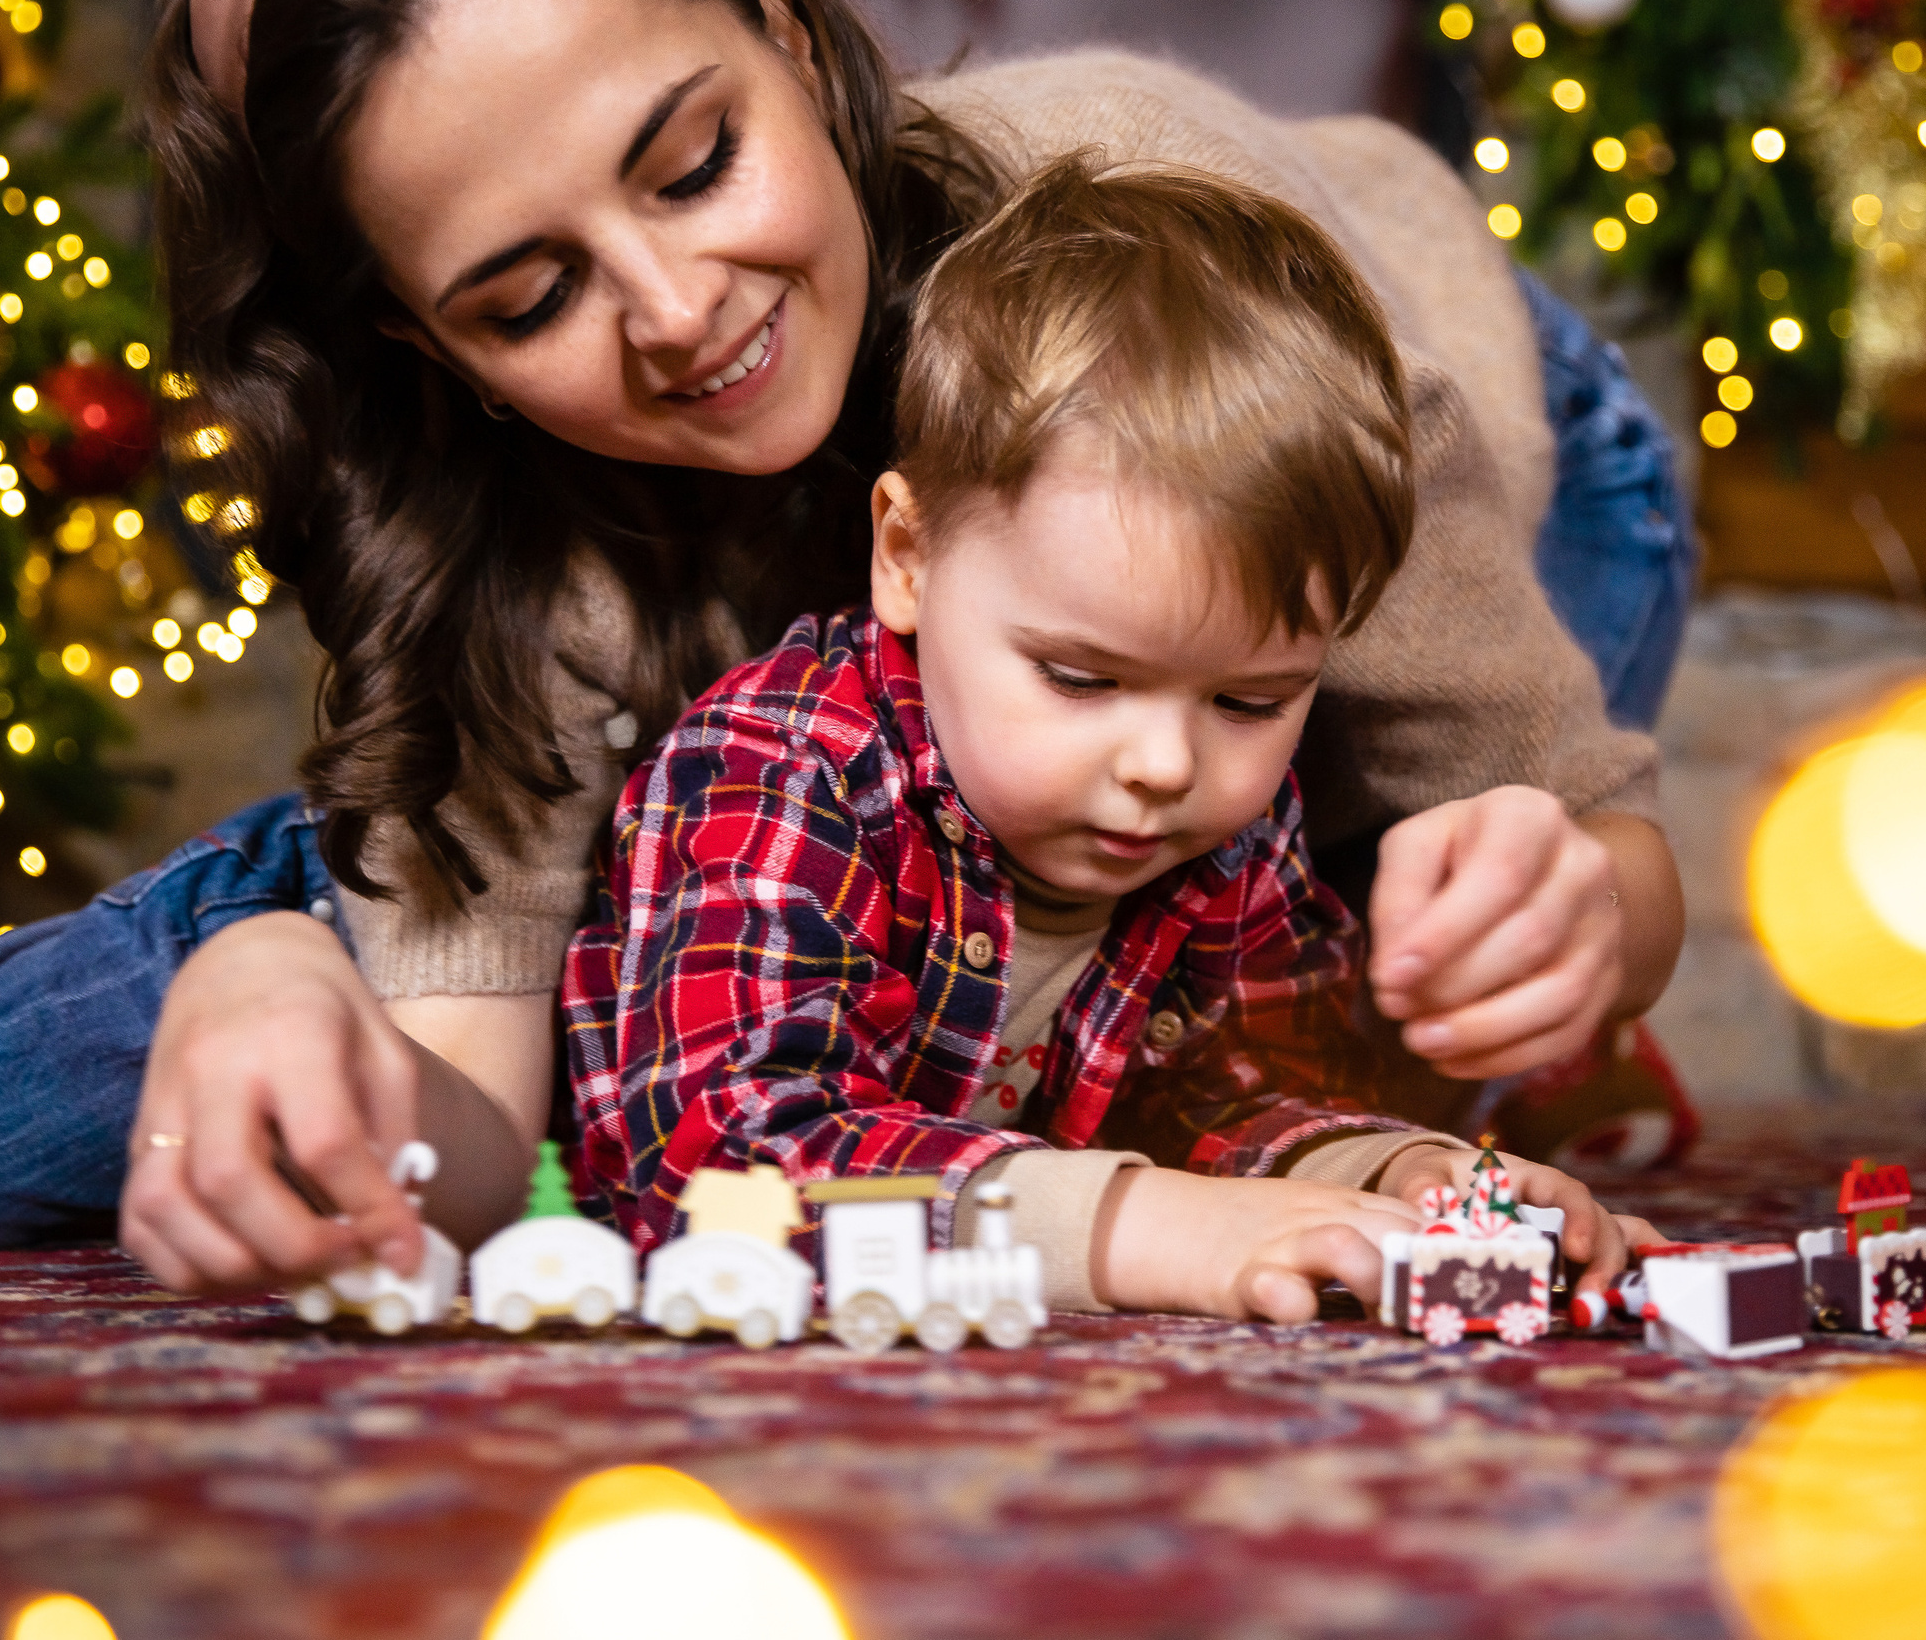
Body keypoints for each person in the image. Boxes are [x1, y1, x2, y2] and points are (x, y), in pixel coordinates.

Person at [0, 0, 1682, 1297]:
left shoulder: (1159, 253)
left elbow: (1602, 853)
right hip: (796, 685)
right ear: (427, 341)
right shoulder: (525, 556)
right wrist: (278, 993)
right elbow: (482, 1150)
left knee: (1362, 990)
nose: (675, 309)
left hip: (1432, 417)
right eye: (525, 296)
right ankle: (15, 999)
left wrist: (1561, 905)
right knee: (477, 1006)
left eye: (694, 159)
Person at [565, 154, 1663, 1317]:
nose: (1166, 767)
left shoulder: (1226, 831)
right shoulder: (780, 775)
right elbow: (720, 1165)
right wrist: (1138, 1226)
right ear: (907, 557)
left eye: (1249, 701)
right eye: (1081, 679)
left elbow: (1229, 1094)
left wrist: (1388, 1173)